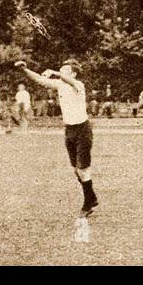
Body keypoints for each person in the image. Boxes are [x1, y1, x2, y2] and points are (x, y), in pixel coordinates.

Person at [16, 59, 99, 216]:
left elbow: (68, 80)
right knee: (76, 169)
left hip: (82, 129)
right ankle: (91, 197)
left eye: (65, 70)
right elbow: (39, 79)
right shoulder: (60, 85)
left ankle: (88, 202)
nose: (61, 73)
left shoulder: (78, 85)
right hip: (69, 130)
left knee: (83, 169)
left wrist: (55, 72)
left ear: (73, 74)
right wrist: (24, 69)